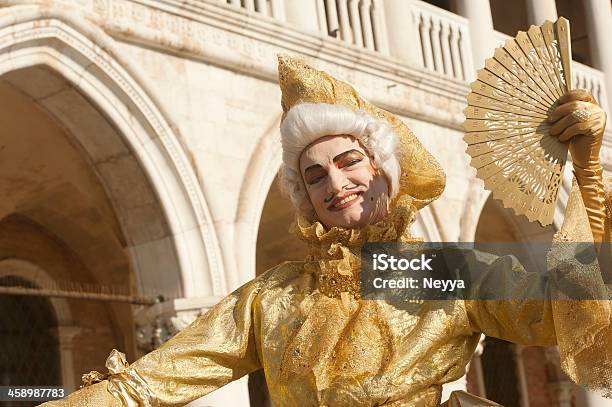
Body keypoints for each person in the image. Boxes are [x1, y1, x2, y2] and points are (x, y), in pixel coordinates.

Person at [41, 56, 611, 407]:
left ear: (384, 167)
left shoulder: (439, 271)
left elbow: (564, 310)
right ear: (306, 198)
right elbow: (148, 384)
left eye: (349, 162)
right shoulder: (275, 297)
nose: (335, 184)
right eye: (314, 176)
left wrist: (588, 174)